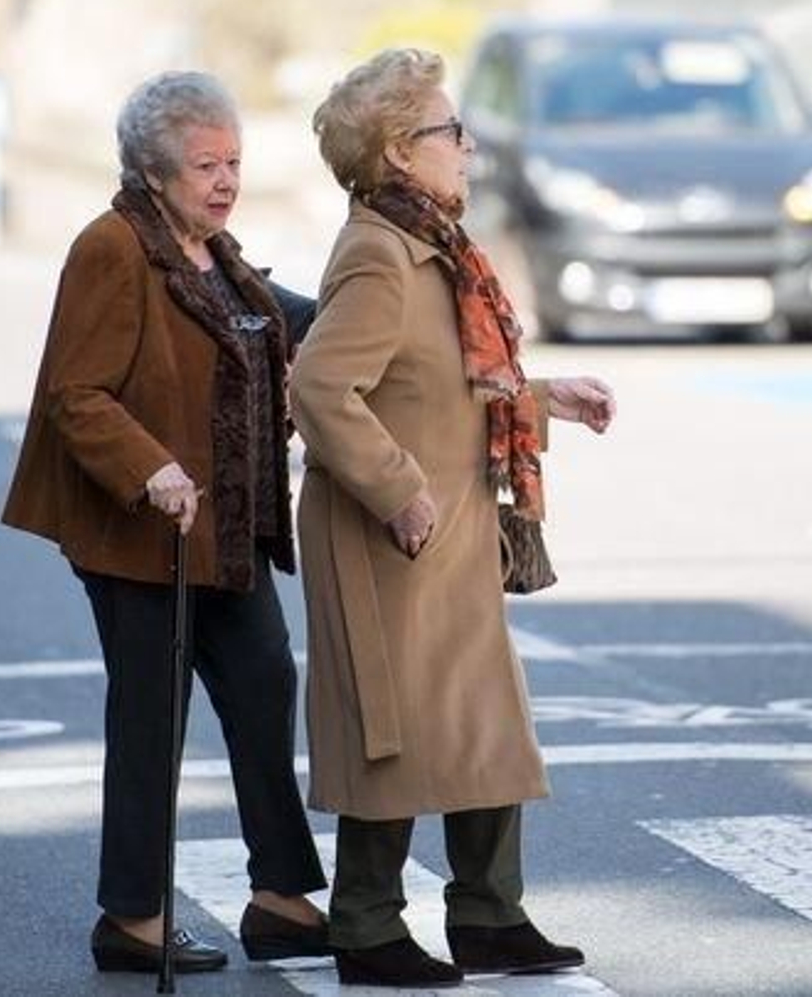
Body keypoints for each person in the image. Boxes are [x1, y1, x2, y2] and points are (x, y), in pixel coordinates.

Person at [288, 48, 616, 989]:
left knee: (482, 722)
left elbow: (449, 383)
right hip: (391, 532)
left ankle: (486, 916)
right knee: (390, 729)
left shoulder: (439, 248)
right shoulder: (379, 253)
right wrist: (397, 490)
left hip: (454, 527)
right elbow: (320, 387)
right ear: (398, 151)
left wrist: (549, 397)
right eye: (449, 131)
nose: (468, 146)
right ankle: (363, 926)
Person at [2, 71, 328, 975]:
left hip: (224, 533)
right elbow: (78, 392)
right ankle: (131, 917)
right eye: (204, 166)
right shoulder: (111, 248)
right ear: (153, 171)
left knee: (265, 685)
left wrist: (369, 299)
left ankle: (280, 899)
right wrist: (151, 467)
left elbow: (277, 315)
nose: (225, 181)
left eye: (234, 162)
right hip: (142, 535)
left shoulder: (212, 251)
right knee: (152, 717)